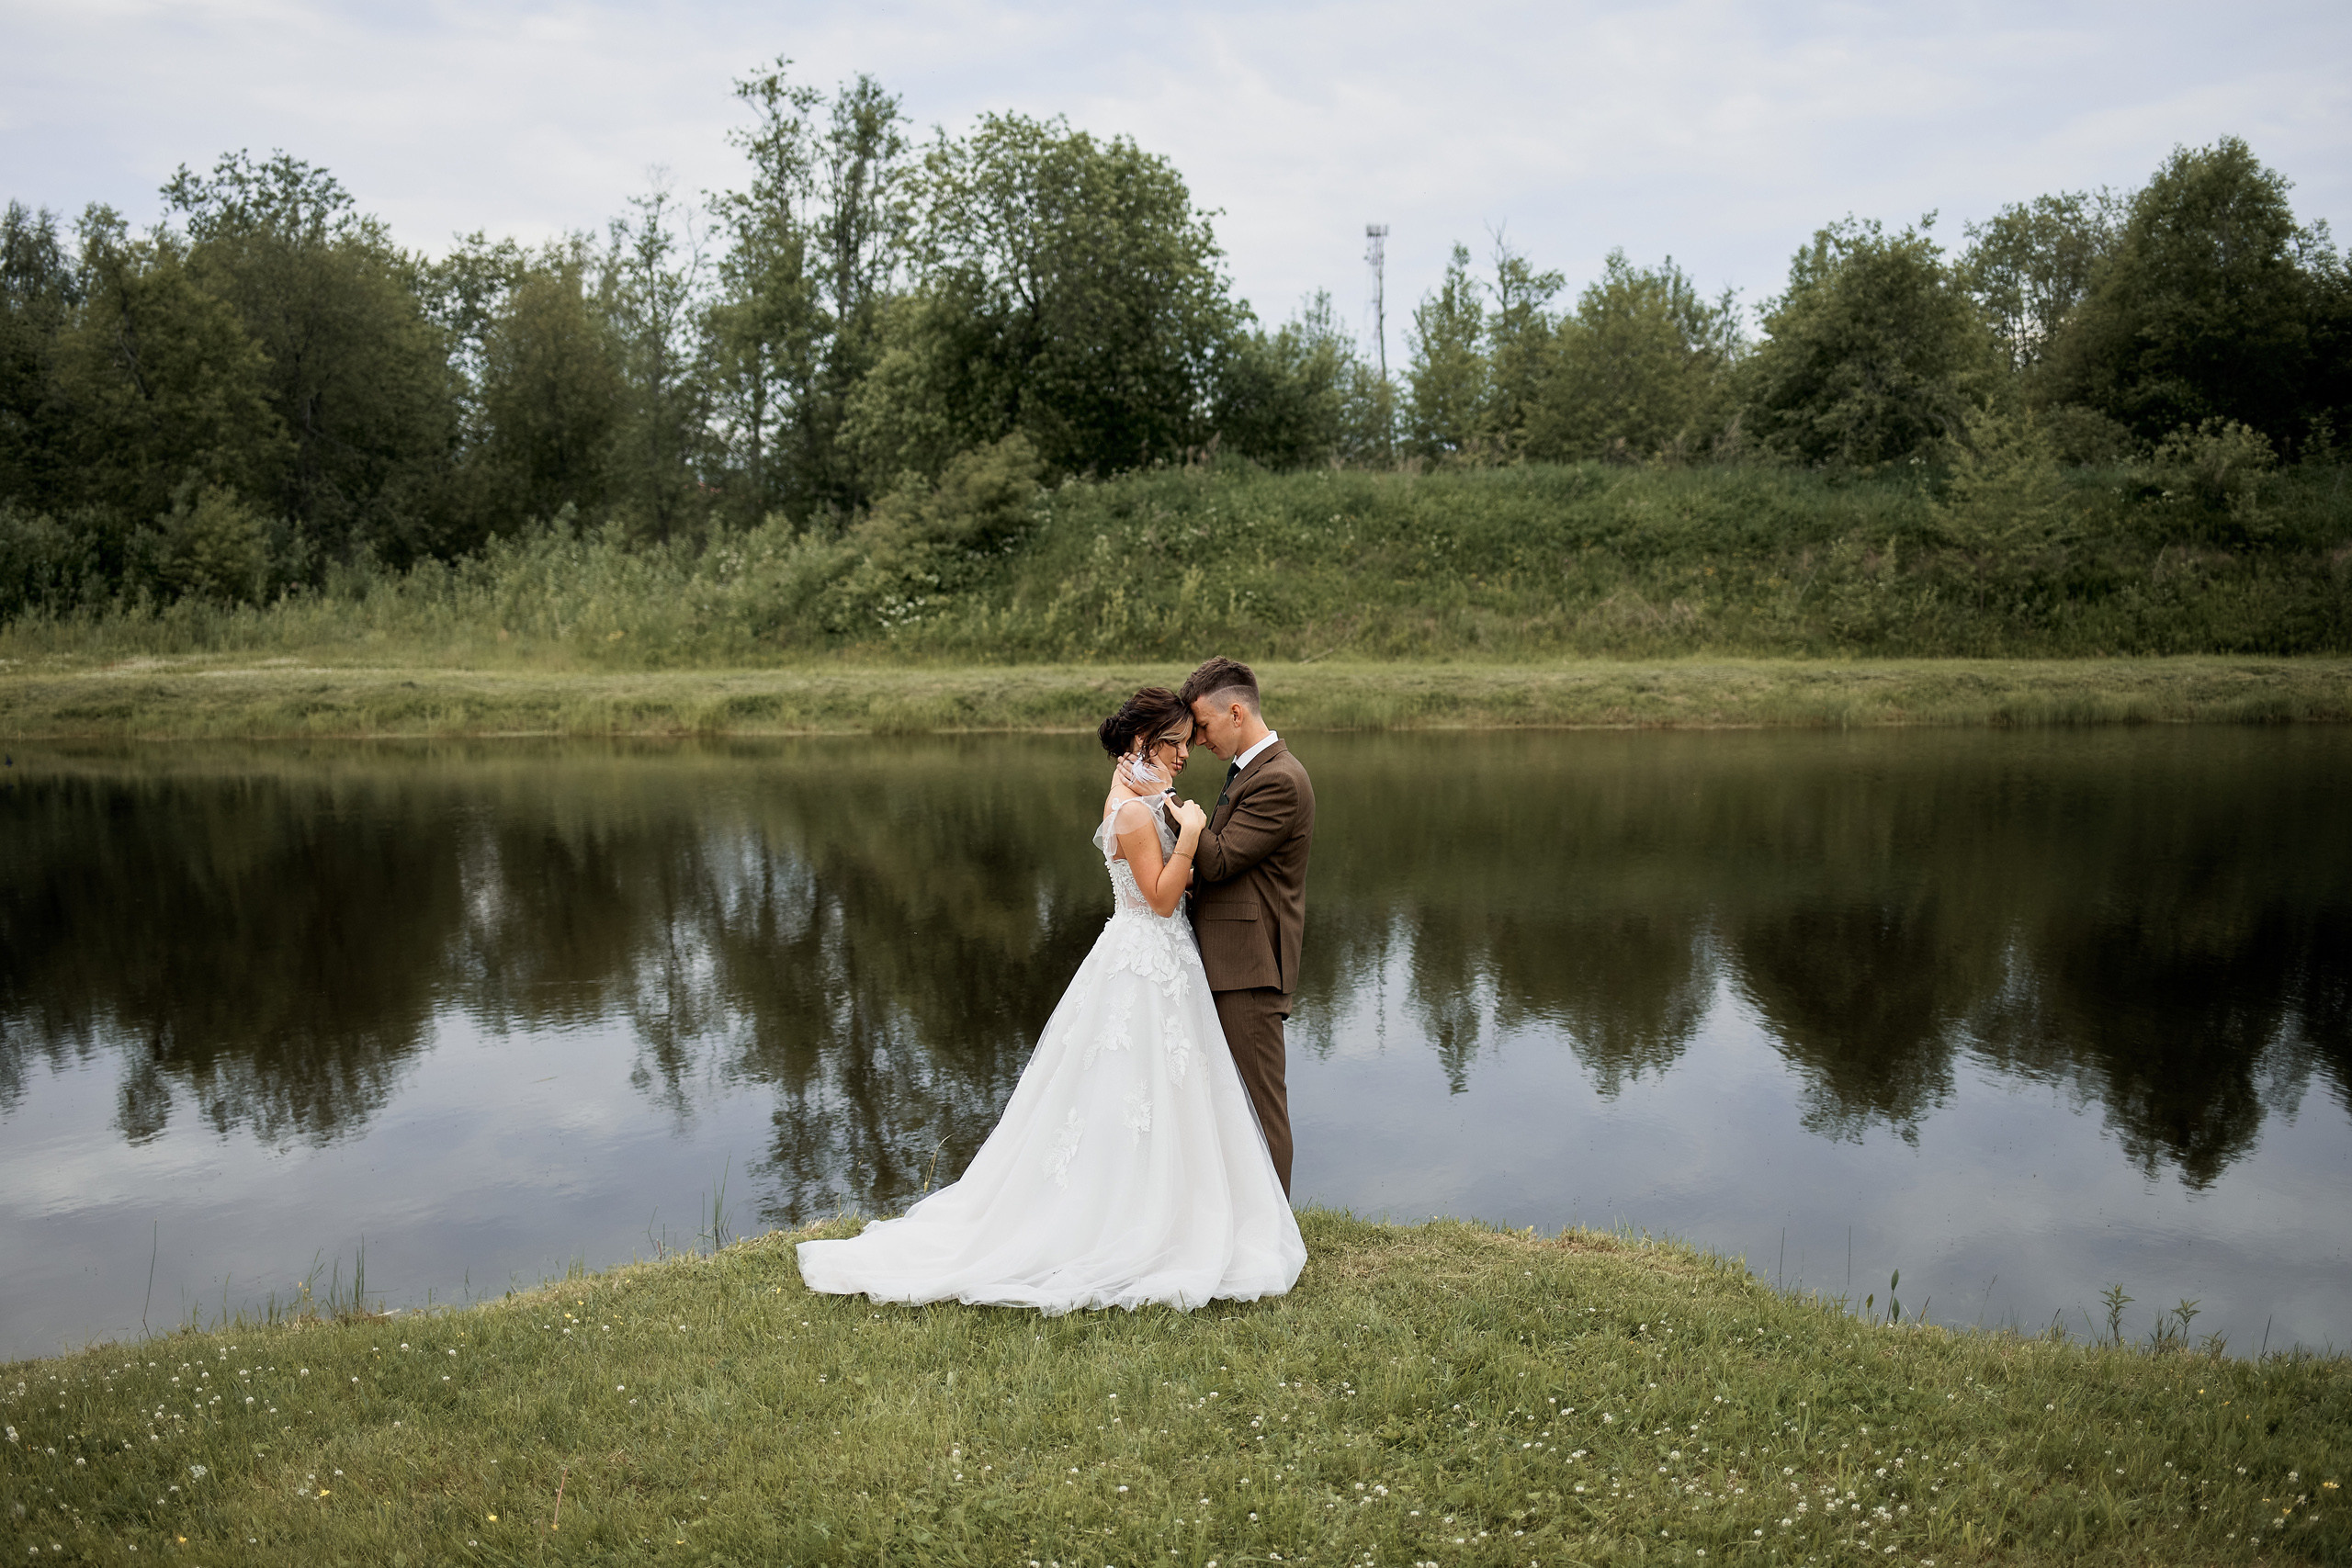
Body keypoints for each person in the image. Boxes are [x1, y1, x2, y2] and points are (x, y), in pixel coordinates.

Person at [795, 685, 1305, 1314]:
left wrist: (1175, 815)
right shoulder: (1134, 814)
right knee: (1135, 1092)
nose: (1185, 755)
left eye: (1185, 743)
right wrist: (1193, 834)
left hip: (1161, 963)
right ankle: (1132, 1224)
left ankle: (1181, 1210)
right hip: (1146, 962)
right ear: (1147, 743)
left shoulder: (1142, 802)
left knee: (1161, 1096)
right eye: (1175, 744)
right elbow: (1164, 897)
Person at [1176, 656, 1315, 1198]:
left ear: (1236, 712)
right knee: (1231, 1104)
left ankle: (1274, 1238)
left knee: (1260, 1107)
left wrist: (1166, 808)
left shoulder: (1279, 779)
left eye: (1204, 727)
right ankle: (1240, 1221)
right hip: (1231, 959)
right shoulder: (1248, 770)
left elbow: (1219, 860)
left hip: (1252, 967)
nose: (1200, 741)